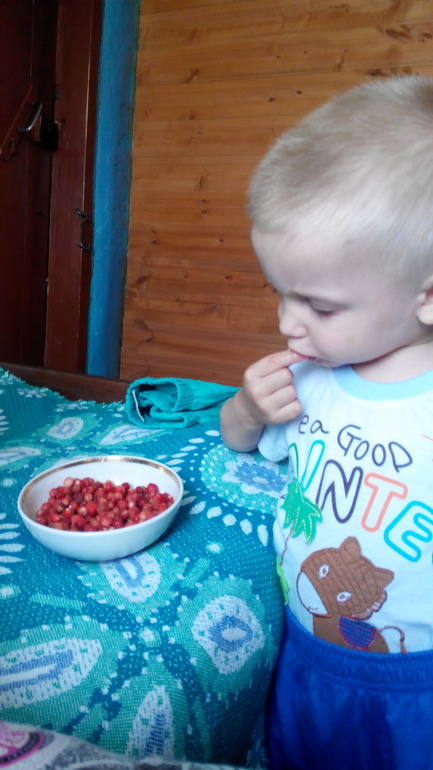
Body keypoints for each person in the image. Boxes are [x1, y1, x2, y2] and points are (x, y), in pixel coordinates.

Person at [220, 75, 433, 770]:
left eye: (319, 305)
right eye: (278, 292)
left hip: (417, 683)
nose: (287, 322)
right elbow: (235, 437)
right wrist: (248, 408)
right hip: (306, 652)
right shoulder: (311, 375)